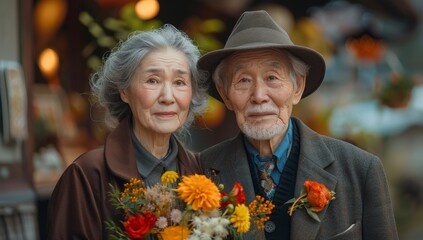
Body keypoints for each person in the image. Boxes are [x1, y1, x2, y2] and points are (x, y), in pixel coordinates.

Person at [198, 10, 398, 239]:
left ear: (297, 87)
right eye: (243, 80)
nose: (259, 95)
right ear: (225, 95)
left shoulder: (360, 169)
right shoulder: (202, 172)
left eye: (272, 77)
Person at [47, 24, 208, 239]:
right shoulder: (86, 175)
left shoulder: (203, 171)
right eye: (153, 81)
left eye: (180, 82)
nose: (168, 97)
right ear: (124, 91)